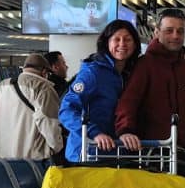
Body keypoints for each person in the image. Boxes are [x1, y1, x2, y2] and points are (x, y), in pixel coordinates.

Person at [115, 8, 185, 179]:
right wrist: (125, 130)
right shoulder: (144, 65)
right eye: (169, 30)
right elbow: (129, 102)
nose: (175, 36)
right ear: (157, 32)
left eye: (180, 31)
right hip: (148, 152)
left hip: (180, 153)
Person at [59, 20, 142, 163]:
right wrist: (94, 133)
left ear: (135, 45)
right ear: (107, 43)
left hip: (116, 154)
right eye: (116, 39)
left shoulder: (131, 74)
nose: (122, 44)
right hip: (87, 153)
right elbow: (67, 109)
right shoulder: (93, 73)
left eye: (128, 39)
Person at [0, 53, 62, 160]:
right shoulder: (43, 88)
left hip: (1, 159)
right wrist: (57, 147)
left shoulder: (1, 86)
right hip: (31, 159)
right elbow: (47, 122)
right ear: (44, 71)